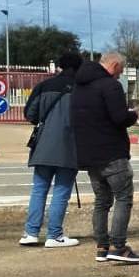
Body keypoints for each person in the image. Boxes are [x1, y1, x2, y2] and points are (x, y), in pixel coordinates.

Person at [72, 51, 139, 264]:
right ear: (113, 65)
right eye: (119, 71)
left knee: (101, 201)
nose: (119, 75)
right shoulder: (110, 86)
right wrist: (133, 114)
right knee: (123, 198)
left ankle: (102, 247)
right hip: (112, 152)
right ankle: (119, 247)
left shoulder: (79, 87)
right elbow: (119, 117)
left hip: (89, 155)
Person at [20, 52, 83, 248]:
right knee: (61, 191)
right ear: (79, 67)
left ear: (60, 67)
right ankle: (54, 235)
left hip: (43, 146)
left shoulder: (43, 86)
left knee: (39, 189)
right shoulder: (82, 89)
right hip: (70, 148)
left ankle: (31, 233)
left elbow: (29, 114)